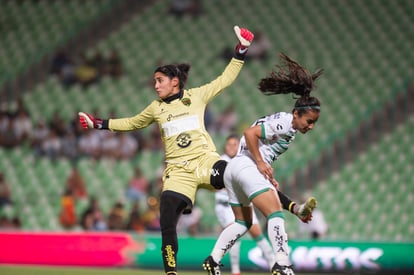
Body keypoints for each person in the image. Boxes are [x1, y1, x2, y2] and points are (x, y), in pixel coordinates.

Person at [77, 26, 254, 275]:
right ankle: (171, 272)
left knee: (238, 172)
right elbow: (132, 122)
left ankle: (285, 205)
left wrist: (241, 50)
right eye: (154, 81)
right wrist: (99, 123)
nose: (155, 85)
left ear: (175, 82)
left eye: (159, 81)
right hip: (177, 173)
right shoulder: (155, 108)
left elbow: (225, 79)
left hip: (204, 162)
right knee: (167, 221)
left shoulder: (197, 96)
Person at [203, 53, 324, 275]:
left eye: (314, 123)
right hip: (246, 165)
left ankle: (213, 259)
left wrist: (295, 208)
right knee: (274, 214)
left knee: (243, 223)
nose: (311, 126)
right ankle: (282, 263)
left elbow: (258, 146)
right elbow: (250, 133)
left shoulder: (288, 126)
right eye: (309, 121)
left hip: (236, 170)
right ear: (296, 114)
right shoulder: (286, 123)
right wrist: (259, 162)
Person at [214, 134, 317, 275]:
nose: (232, 147)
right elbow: (215, 185)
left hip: (246, 202)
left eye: (234, 144)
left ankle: (272, 265)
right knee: (237, 234)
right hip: (226, 205)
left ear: (239, 146)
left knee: (258, 235)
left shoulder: (245, 159)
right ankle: (236, 271)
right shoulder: (222, 161)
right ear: (225, 147)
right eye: (229, 144)